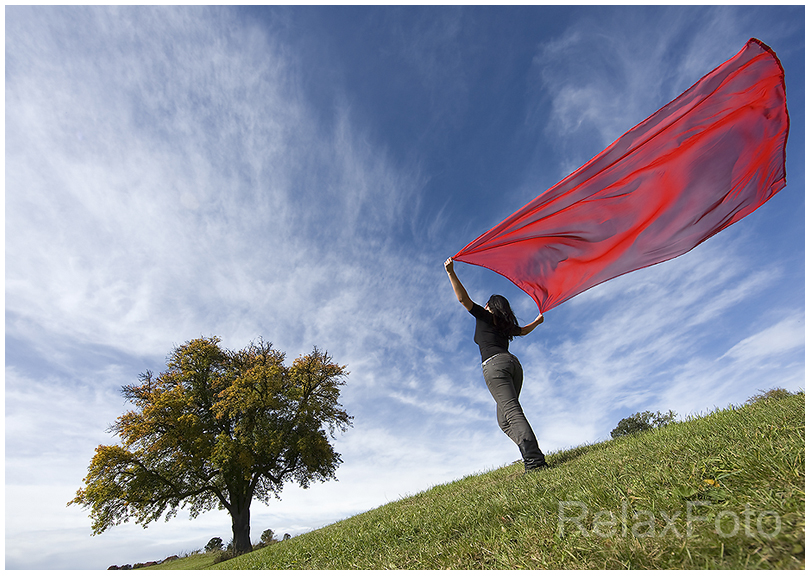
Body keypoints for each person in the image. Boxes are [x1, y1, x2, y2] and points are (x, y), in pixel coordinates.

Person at [444, 257, 548, 473]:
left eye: (486, 304)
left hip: (495, 366)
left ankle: (535, 461)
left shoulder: (485, 316)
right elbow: (523, 331)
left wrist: (451, 272)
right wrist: (537, 322)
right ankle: (527, 451)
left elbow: (463, 299)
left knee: (512, 412)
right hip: (513, 365)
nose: (483, 305)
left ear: (490, 307)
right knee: (504, 420)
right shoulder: (505, 324)